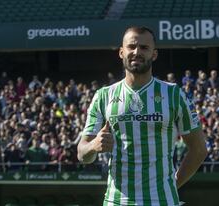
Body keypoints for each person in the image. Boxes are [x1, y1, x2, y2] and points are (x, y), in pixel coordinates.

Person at [77, 26, 207, 206]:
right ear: (121, 52)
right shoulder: (103, 96)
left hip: (162, 201)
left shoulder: (174, 94)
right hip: (117, 201)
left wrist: (172, 185)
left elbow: (199, 149)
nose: (137, 52)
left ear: (154, 54)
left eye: (144, 48)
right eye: (131, 47)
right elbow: (82, 154)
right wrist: (93, 145)